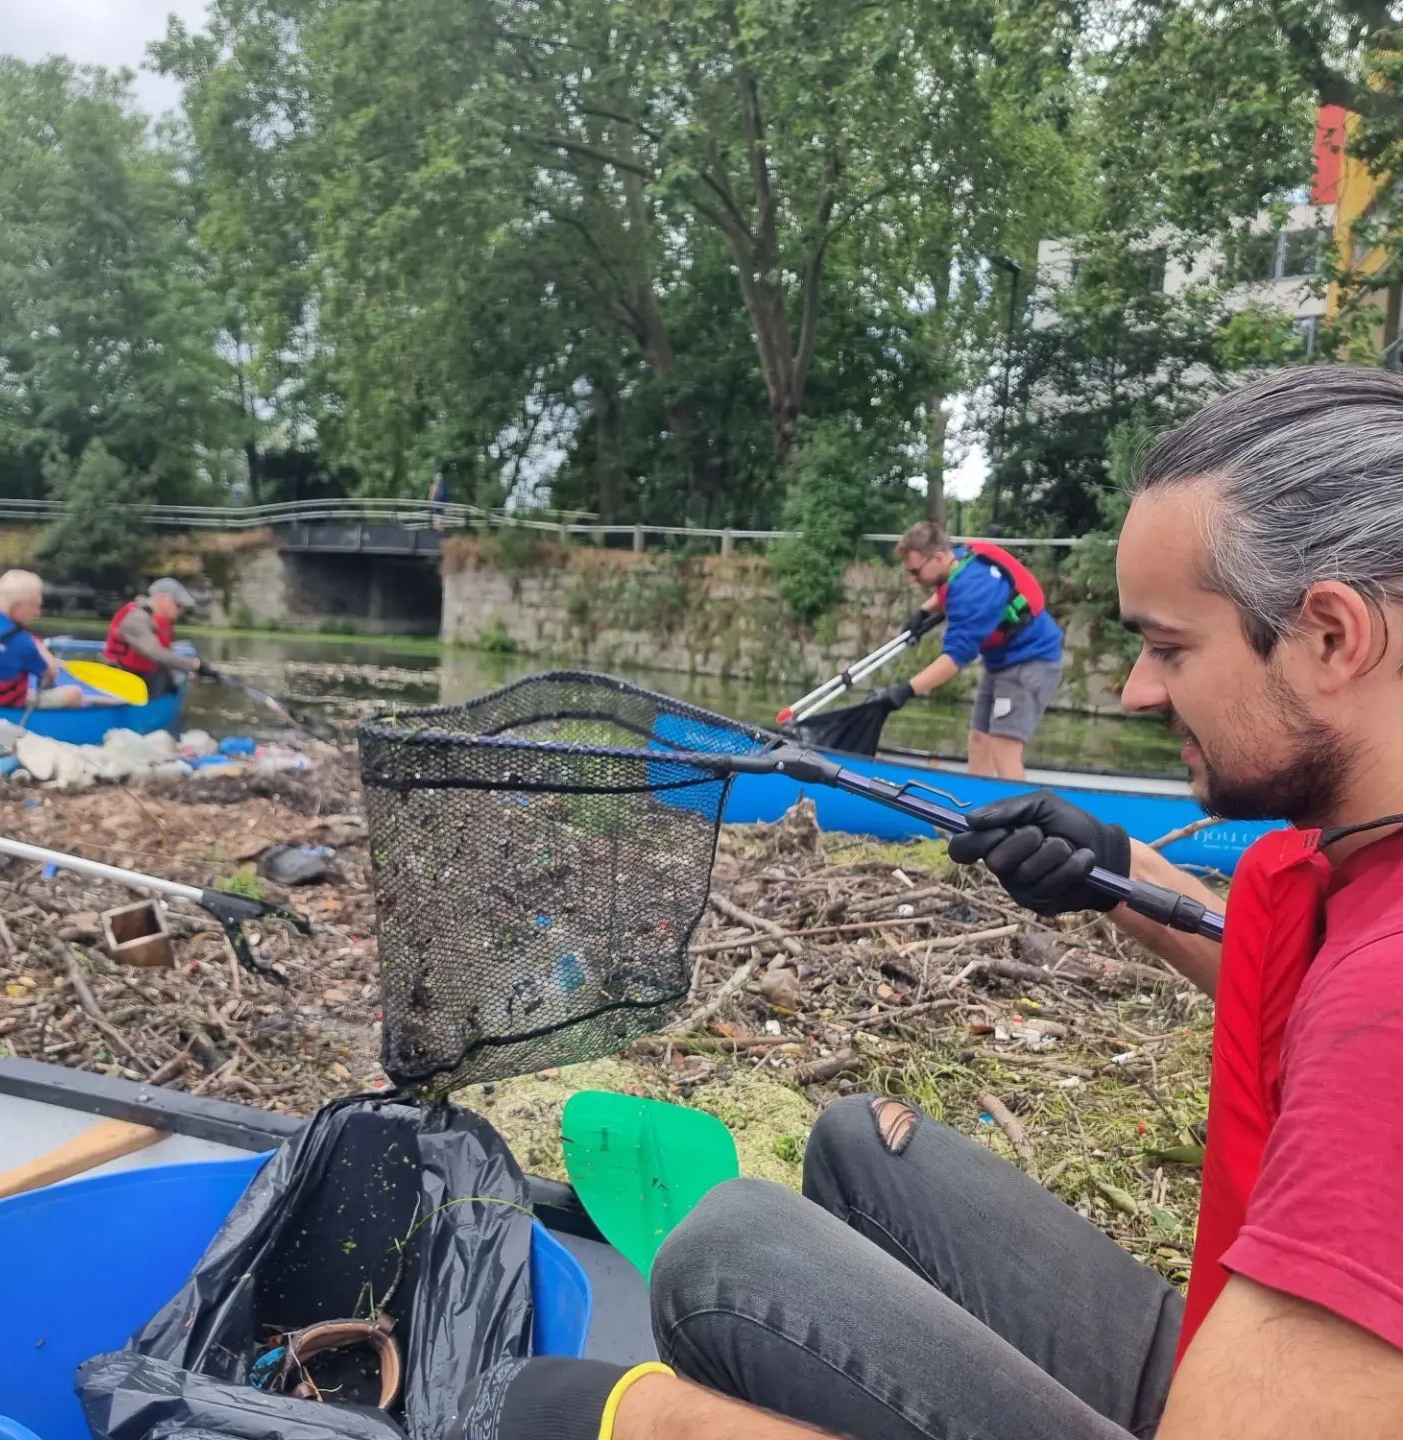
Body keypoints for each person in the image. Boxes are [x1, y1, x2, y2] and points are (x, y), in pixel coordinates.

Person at [442, 366, 1403, 1440]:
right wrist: (1121, 871)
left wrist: (679, 1427)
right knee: (857, 1144)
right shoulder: (1341, 861)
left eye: (1170, 647)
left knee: (671, 1310)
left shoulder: (1389, 1019)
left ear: (1332, 636)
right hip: (1224, 1344)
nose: (1136, 690)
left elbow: (1359, 1030)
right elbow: (1294, 992)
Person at [880, 521, 1065, 779]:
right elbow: (945, 589)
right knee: (979, 739)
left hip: (1030, 663)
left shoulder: (973, 594)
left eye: (915, 571)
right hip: (1001, 662)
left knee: (1004, 746)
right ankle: (978, 808)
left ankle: (1019, 818)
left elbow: (954, 659)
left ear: (938, 557)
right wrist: (923, 612)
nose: (912, 579)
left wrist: (905, 691)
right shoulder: (958, 560)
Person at [0, 569, 82, 709]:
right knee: (75, 694)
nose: (37, 614)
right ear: (19, 606)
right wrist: (35, 641)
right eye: (35, 606)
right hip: (2, 709)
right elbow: (51, 672)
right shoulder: (21, 641)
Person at [103, 578, 206, 698]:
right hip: (121, 678)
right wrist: (194, 665)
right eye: (178, 605)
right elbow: (155, 652)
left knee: (170, 673)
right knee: (171, 674)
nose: (181, 610)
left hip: (138, 676)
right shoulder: (137, 617)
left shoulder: (153, 618)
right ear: (163, 599)